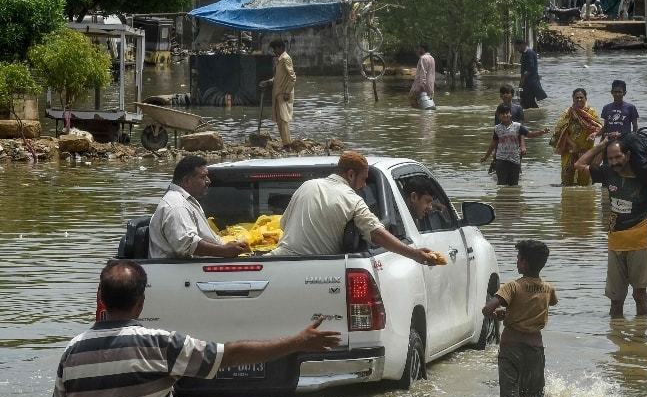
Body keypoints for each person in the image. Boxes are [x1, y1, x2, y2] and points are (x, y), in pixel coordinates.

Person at [51, 260, 341, 397]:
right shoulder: (160, 345)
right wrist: (297, 342)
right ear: (140, 303)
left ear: (101, 299)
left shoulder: (72, 351)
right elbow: (231, 355)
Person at [271, 151, 438, 264]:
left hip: (275, 261)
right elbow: (377, 235)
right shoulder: (352, 199)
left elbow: (284, 225)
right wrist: (414, 254)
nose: (364, 186)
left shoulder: (307, 186)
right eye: (364, 179)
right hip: (318, 269)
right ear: (351, 174)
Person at [574, 139, 647, 317]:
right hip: (615, 241)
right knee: (616, 298)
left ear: (628, 155)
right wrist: (601, 146)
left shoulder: (644, 177)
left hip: (640, 241)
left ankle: (640, 338)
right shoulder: (608, 172)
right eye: (611, 158)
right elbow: (579, 164)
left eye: (618, 157)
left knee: (639, 295)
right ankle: (617, 337)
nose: (615, 161)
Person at [482, 240, 557, 397]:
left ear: (523, 263)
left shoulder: (513, 286)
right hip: (535, 350)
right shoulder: (548, 289)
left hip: (511, 349)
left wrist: (496, 314)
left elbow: (488, 308)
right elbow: (548, 304)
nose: (516, 262)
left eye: (518, 258)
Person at [148, 155, 249, 259]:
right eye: (203, 177)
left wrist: (230, 245)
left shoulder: (187, 200)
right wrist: (224, 251)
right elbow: (187, 244)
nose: (208, 181)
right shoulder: (177, 206)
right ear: (187, 181)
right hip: (182, 272)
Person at [481, 105, 549, 186]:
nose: (505, 115)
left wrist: (541, 132)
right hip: (501, 160)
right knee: (501, 184)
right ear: (498, 115)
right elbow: (493, 144)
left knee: (514, 185)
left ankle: (513, 198)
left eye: (507, 113)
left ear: (510, 114)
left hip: (515, 160)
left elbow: (529, 134)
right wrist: (486, 157)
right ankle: (501, 198)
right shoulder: (497, 128)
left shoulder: (517, 126)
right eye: (502, 113)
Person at [550, 87, 602, 186]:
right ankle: (567, 200)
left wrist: (594, 135)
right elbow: (560, 131)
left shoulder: (591, 112)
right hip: (570, 150)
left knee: (585, 182)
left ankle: (583, 200)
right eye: (576, 98)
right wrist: (572, 144)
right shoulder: (568, 112)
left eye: (581, 97)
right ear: (573, 99)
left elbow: (598, 128)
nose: (579, 100)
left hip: (586, 150)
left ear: (585, 98)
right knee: (566, 180)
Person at [262, 40, 296, 146]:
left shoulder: (286, 58)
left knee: (284, 119)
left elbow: (292, 78)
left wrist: (287, 92)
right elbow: (278, 77)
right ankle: (285, 142)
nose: (274, 51)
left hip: (283, 93)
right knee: (279, 120)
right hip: (278, 93)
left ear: (280, 48)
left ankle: (287, 144)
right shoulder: (279, 60)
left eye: (275, 49)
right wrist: (269, 82)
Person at [515, 39, 547, 109]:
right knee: (526, 100)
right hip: (528, 82)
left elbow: (530, 68)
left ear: (523, 45)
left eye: (518, 48)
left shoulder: (529, 53)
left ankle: (535, 115)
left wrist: (522, 79)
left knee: (526, 100)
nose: (517, 50)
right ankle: (535, 114)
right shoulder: (525, 53)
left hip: (530, 82)